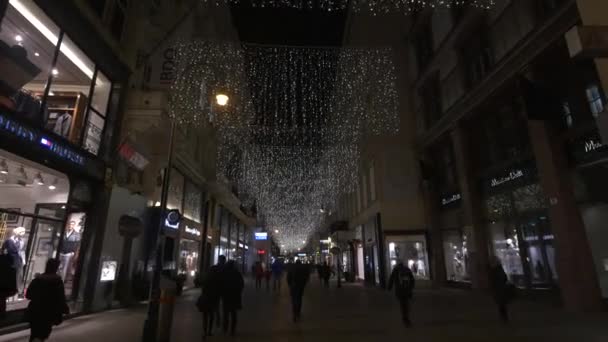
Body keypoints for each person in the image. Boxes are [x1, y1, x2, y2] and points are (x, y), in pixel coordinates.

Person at [25, 258, 69, 342]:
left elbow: (28, 295)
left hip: (35, 310)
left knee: (34, 334)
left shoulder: (37, 280)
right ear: (56, 268)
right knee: (42, 335)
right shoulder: (57, 282)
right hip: (49, 312)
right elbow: (60, 298)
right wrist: (63, 309)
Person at [196, 260, 222, 338]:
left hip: (205, 299)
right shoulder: (217, 279)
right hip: (213, 299)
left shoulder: (206, 278)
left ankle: (204, 331)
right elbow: (219, 290)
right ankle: (209, 331)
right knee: (211, 316)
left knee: (205, 316)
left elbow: (201, 286)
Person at [387, 260, 415, 327]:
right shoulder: (407, 269)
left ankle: (405, 318)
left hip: (400, 291)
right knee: (407, 303)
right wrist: (411, 287)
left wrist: (389, 287)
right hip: (407, 290)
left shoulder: (396, 270)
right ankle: (407, 317)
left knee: (402, 304)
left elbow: (391, 279)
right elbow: (412, 279)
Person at [220, 260, 244, 336]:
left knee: (226, 313)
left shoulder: (224, 273)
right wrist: (238, 292)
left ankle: (225, 328)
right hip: (235, 296)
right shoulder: (237, 273)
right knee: (233, 314)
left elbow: (221, 284)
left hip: (226, 296)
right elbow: (241, 284)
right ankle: (232, 330)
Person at [489, 256, 511, 322]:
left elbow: (492, 280)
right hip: (501, 288)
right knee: (502, 304)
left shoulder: (494, 270)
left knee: (501, 304)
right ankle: (504, 317)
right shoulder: (499, 269)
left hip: (498, 289)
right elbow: (505, 278)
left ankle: (504, 317)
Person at [0, 254, 17, 318]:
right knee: (2, 299)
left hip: (3, 289)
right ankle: (2, 314)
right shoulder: (12, 270)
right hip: (9, 289)